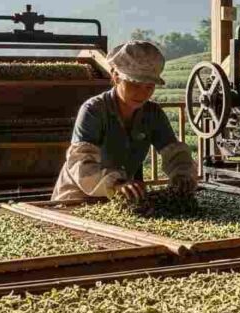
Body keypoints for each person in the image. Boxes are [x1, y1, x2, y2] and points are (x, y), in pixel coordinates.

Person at [52, 41, 198, 202]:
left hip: (123, 197)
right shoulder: (94, 110)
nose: (142, 94)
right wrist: (115, 184)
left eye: (149, 87)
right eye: (134, 84)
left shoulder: (153, 114)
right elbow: (81, 162)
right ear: (115, 76)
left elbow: (175, 153)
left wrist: (182, 175)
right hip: (78, 196)